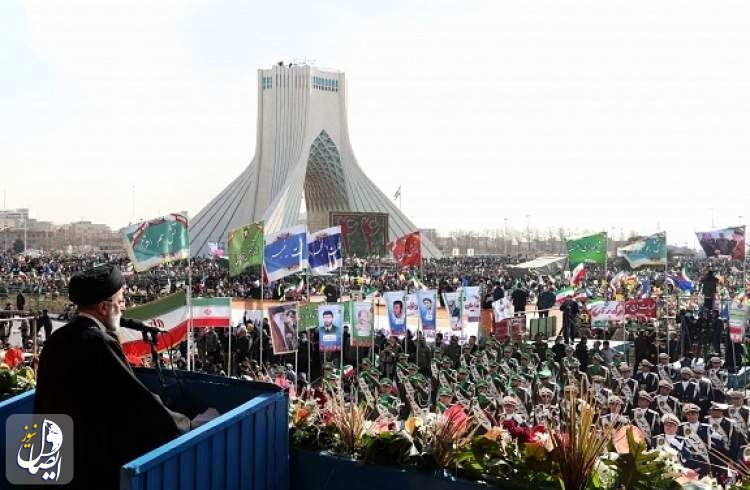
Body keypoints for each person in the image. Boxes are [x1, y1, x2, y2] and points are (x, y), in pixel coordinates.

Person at [33, 264, 190, 489]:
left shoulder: (58, 338)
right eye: (121, 299)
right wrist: (187, 423)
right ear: (104, 307)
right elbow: (137, 400)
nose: (124, 306)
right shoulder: (98, 342)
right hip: (88, 467)